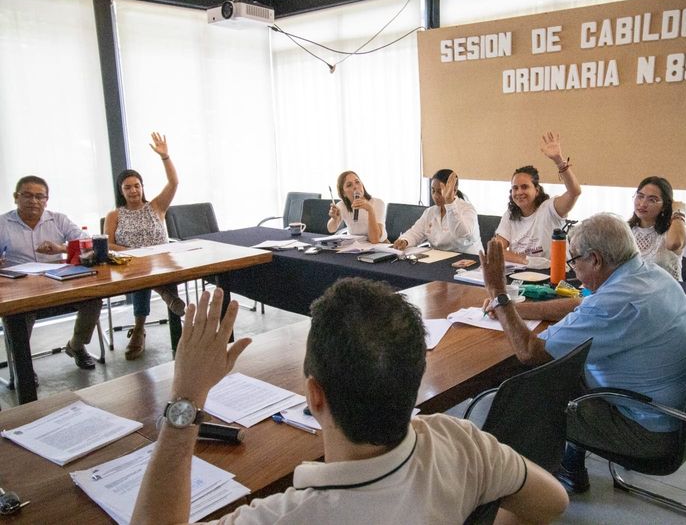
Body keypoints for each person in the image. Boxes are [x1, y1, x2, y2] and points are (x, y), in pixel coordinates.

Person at [131, 280, 569, 524]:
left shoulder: (284, 516)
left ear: (313, 395)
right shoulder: (462, 443)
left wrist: (185, 398)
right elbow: (552, 502)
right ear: (416, 377)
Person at [480, 213, 686, 494]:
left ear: (595, 259)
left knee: (527, 395)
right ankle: (570, 467)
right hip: (676, 411)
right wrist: (514, 308)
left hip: (647, 430)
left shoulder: (615, 303)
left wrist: (499, 293)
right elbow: (582, 305)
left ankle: (514, 493)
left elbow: (530, 352)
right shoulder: (649, 274)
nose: (573, 272)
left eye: (575, 260)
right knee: (569, 372)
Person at [0, 176, 101, 370]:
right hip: (19, 288)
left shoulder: (58, 219)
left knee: (93, 298)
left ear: (47, 200)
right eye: (27, 195)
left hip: (58, 282)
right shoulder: (3, 223)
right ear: (15, 197)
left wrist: (61, 248)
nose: (34, 201)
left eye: (40, 196)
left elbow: (87, 244)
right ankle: (24, 369)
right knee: (19, 313)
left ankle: (76, 346)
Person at [104, 132, 184, 361]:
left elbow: (174, 182)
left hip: (162, 261)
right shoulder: (114, 214)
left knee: (149, 271)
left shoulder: (157, 206)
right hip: (130, 263)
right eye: (127, 187)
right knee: (141, 274)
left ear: (142, 187)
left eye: (136, 186)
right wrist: (131, 252)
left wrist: (165, 157)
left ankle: (139, 329)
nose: (133, 191)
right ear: (121, 191)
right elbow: (108, 243)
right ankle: (152, 314)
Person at [495, 132, 582, 265]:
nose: (519, 192)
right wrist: (526, 261)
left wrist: (559, 161)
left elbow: (574, 192)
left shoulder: (550, 208)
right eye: (515, 188)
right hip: (521, 274)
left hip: (554, 275)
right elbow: (495, 249)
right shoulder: (510, 215)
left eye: (524, 187)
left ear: (536, 190)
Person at [394, 169, 481, 254]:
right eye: (433, 190)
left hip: (467, 260)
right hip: (438, 259)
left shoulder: (467, 209)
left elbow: (461, 233)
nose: (435, 196)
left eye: (440, 192)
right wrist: (405, 240)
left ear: (454, 191)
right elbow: (415, 233)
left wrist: (450, 203)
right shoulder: (430, 212)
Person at [628, 176, 686, 280]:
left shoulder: (671, 232)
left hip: (665, 293)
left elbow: (674, 244)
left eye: (652, 200)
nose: (642, 204)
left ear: (664, 206)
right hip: (632, 292)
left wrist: (678, 212)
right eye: (640, 196)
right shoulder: (627, 230)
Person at [326, 171, 387, 243]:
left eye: (357, 182)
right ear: (343, 193)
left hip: (379, 246)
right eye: (349, 185)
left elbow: (375, 240)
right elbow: (331, 229)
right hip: (356, 246)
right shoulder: (342, 205)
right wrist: (335, 219)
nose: (355, 187)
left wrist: (370, 210)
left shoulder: (378, 203)